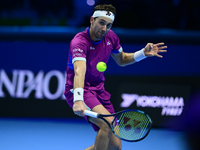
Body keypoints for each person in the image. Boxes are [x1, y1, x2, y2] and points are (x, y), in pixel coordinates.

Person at [64, 4, 167, 150]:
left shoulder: (111, 37)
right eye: (101, 23)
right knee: (106, 124)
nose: (104, 29)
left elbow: (122, 59)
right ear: (92, 20)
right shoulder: (79, 42)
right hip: (80, 90)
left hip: (99, 91)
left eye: (109, 25)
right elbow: (79, 70)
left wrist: (143, 53)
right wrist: (78, 99)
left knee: (114, 146)